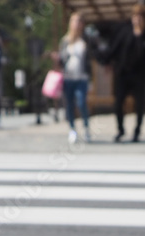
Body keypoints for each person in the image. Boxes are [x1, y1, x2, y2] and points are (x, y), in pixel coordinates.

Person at [100, 5, 145, 143]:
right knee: (118, 103)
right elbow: (114, 49)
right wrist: (107, 62)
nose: (137, 19)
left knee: (140, 105)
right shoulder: (124, 32)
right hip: (122, 74)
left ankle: (137, 131)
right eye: (135, 16)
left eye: (140, 17)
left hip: (139, 75)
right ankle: (120, 130)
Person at [58, 11, 94, 144]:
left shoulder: (86, 40)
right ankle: (72, 130)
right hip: (68, 78)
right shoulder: (65, 41)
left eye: (79, 21)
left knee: (81, 102)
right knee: (69, 106)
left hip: (82, 78)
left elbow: (91, 59)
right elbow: (62, 61)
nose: (76, 24)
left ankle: (86, 128)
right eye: (74, 21)